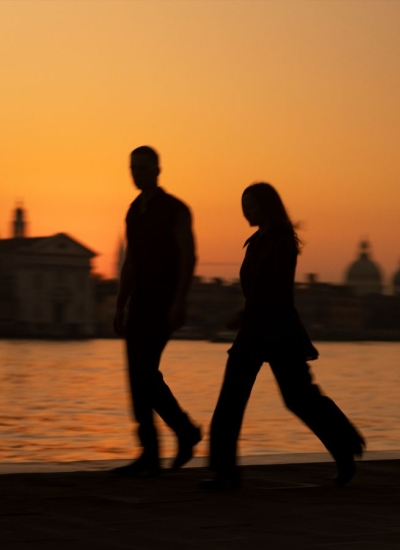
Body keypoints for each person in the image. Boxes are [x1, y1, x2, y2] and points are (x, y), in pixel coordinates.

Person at [203, 182, 365, 489]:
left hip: (277, 330)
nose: (246, 212)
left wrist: (243, 315)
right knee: (231, 399)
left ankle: (345, 447)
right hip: (255, 329)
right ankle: (224, 472)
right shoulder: (256, 242)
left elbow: (272, 290)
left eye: (251, 206)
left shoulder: (281, 242)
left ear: (267, 207)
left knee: (299, 398)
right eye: (243, 206)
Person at [113, 145, 201, 477]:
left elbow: (188, 255)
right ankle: (159, 445)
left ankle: (176, 435)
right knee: (139, 376)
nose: (137, 173)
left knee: (145, 373)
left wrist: (180, 300)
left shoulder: (175, 209)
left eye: (143, 167)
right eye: (133, 168)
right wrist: (120, 304)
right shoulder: (133, 211)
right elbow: (130, 262)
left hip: (163, 301)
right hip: (139, 302)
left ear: (157, 170)